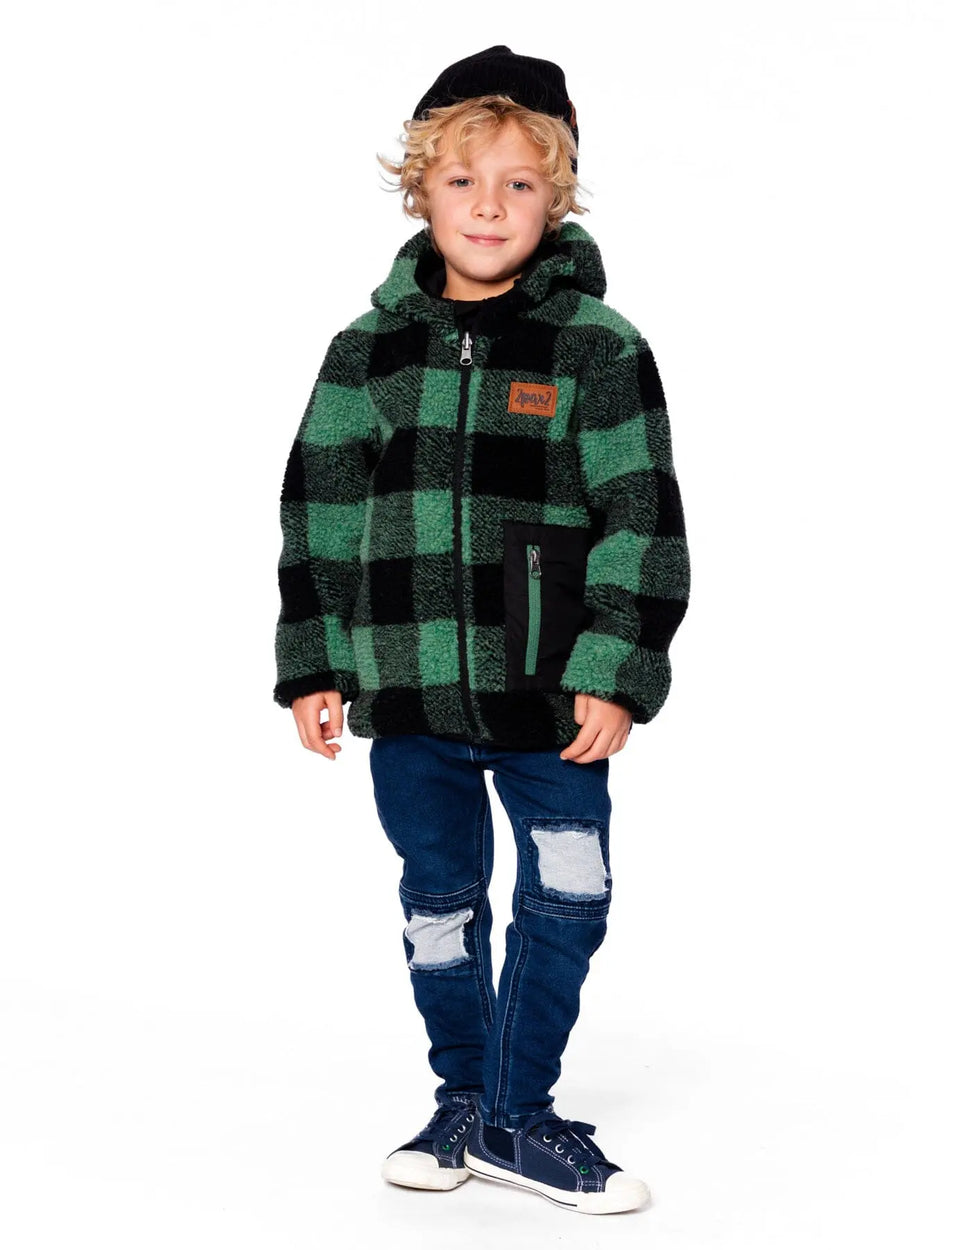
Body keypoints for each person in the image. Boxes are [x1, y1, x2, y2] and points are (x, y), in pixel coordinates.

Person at [273, 45, 691, 1215]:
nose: (490, 206)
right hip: (407, 696)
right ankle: (467, 1099)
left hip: (548, 696)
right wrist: (315, 662)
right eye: (463, 181)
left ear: (557, 195)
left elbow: (640, 518)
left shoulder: (595, 347)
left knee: (569, 889)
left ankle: (519, 1108)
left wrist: (614, 667)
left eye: (519, 183)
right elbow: (318, 512)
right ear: (421, 190)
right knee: (439, 900)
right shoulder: (367, 352)